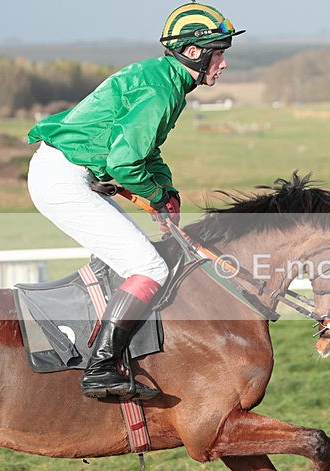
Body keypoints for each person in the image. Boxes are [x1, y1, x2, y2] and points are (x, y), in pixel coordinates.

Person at [26, 2, 245, 400]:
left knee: (133, 258)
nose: (224, 63)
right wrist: (156, 196)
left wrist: (167, 191)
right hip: (63, 180)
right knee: (149, 267)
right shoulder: (162, 90)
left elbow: (147, 151)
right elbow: (124, 163)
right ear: (193, 52)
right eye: (219, 53)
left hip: (68, 174)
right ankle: (100, 368)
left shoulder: (165, 79)